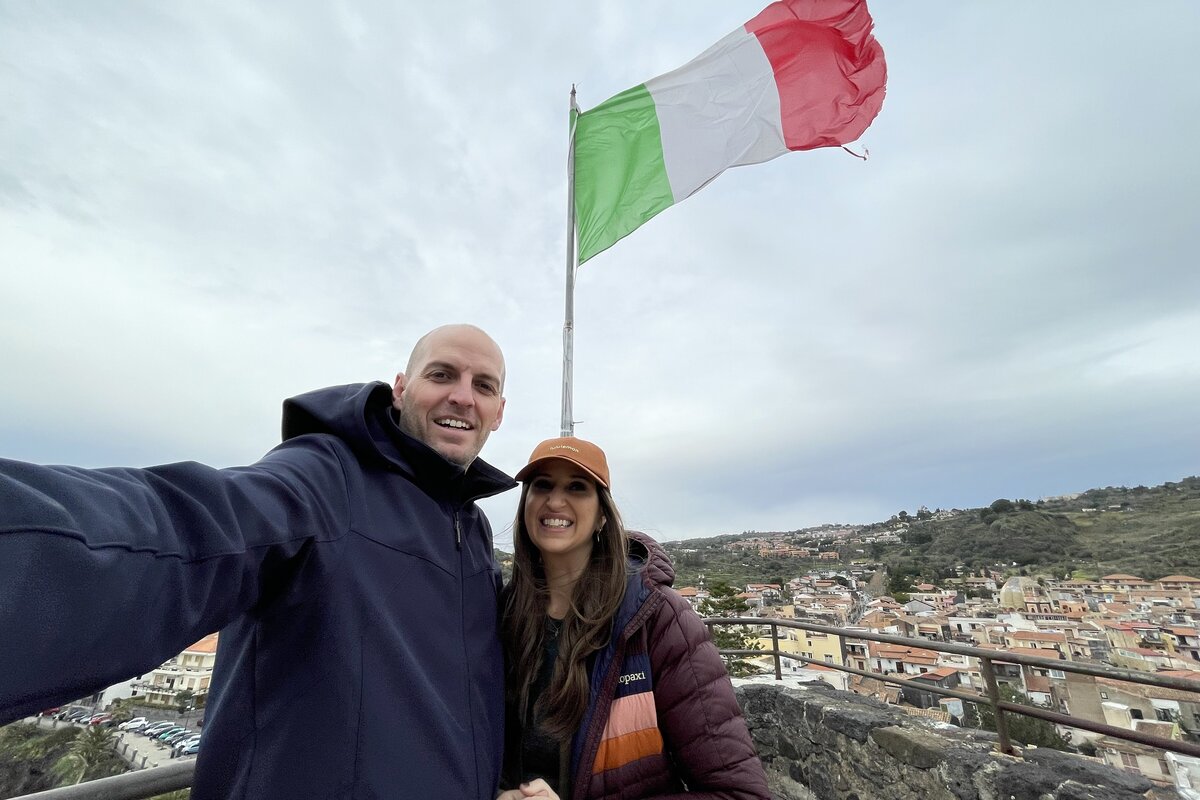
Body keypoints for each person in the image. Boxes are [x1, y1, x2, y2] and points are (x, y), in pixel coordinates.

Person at [0, 323, 515, 800]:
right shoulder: (326, 479)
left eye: (483, 385)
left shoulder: (473, 533)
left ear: (498, 412)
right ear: (400, 388)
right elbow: (188, 527)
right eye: (441, 375)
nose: (462, 396)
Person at [498, 437, 770, 800]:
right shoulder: (502, 614)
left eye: (577, 487)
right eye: (542, 485)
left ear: (602, 515)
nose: (555, 501)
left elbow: (739, 792)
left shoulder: (657, 619)